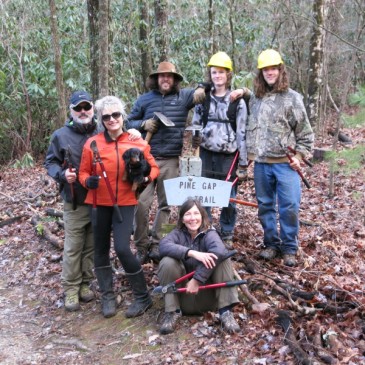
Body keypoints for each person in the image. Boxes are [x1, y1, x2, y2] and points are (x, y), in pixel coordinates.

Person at [78, 95, 159, 318]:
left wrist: (145, 179)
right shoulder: (92, 144)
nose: (112, 119)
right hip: (98, 203)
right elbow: (83, 172)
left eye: (116, 115)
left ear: (123, 116)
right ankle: (107, 296)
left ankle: (143, 297)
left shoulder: (137, 142)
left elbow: (154, 168)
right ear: (101, 119)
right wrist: (87, 181)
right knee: (101, 250)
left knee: (123, 248)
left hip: (125, 202)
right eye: (106, 116)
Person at [126, 61, 206, 264]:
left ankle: (157, 242)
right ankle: (141, 245)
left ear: (175, 80)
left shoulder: (183, 97)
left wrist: (202, 88)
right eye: (162, 76)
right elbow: (128, 122)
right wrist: (144, 124)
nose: (165, 79)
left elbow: (206, 89)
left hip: (170, 160)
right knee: (141, 205)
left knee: (166, 206)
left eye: (169, 76)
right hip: (145, 160)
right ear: (155, 79)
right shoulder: (144, 100)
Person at [244, 49, 314, 267]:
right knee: (265, 206)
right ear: (261, 72)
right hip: (262, 164)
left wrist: (300, 156)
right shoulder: (255, 99)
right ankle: (271, 244)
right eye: (266, 69)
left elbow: (305, 134)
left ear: (280, 70)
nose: (270, 72)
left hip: (286, 165)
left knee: (289, 206)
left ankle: (289, 248)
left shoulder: (293, 98)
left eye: (273, 68)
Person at [45, 91, 99, 311]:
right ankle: (70, 289)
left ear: (93, 108)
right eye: (78, 108)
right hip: (74, 200)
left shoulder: (103, 130)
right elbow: (50, 162)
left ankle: (85, 284)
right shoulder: (61, 135)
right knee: (73, 247)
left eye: (86, 107)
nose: (83, 111)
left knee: (90, 247)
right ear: (71, 111)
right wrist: (62, 174)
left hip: (99, 201)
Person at [157, 198, 240, 335]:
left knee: (223, 259)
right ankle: (172, 312)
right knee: (167, 261)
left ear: (202, 216)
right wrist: (192, 253)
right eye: (188, 214)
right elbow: (163, 246)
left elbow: (219, 251)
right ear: (182, 219)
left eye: (196, 214)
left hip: (208, 296)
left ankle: (225, 312)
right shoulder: (177, 233)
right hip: (183, 296)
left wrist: (196, 280)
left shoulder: (210, 233)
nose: (192, 218)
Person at [191, 52, 248, 248]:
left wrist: (243, 163)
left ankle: (227, 232)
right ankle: (205, 229)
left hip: (229, 155)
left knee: (229, 197)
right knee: (205, 194)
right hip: (207, 153)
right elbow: (195, 123)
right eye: (214, 72)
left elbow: (242, 132)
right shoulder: (203, 98)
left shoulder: (237, 101)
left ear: (228, 75)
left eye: (221, 72)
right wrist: (194, 140)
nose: (217, 76)